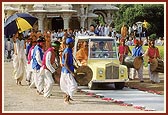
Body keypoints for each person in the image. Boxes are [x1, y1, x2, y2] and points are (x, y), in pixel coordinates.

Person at [60, 37, 78, 104]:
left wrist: (76, 68)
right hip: (67, 72)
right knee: (74, 86)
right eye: (72, 43)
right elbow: (65, 64)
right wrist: (71, 72)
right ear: (69, 44)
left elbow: (70, 63)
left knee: (68, 85)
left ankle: (67, 97)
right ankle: (67, 99)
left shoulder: (69, 50)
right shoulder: (67, 51)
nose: (73, 44)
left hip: (66, 71)